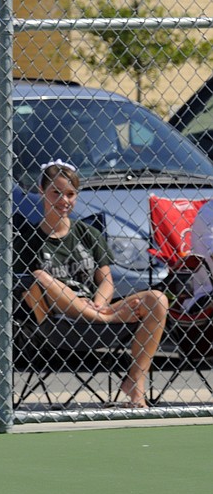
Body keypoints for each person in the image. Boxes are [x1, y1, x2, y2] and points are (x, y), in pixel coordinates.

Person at [14, 160, 168, 409]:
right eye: (56, 192)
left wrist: (99, 303)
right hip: (55, 320)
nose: (64, 200)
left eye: (71, 194)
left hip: (95, 309)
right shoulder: (29, 239)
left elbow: (106, 279)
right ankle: (106, 319)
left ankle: (135, 380)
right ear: (42, 192)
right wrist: (104, 315)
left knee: (157, 299)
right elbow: (30, 292)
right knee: (42, 278)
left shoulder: (87, 233)